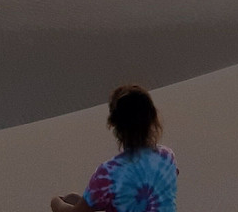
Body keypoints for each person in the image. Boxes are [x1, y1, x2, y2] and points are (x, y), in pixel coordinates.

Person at [51, 84, 178, 212]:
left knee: (69, 200)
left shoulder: (108, 174)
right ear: (152, 117)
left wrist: (55, 202)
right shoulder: (167, 157)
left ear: (114, 124)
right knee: (73, 198)